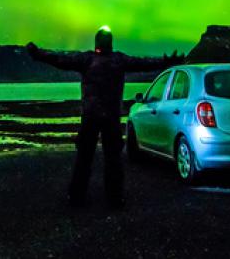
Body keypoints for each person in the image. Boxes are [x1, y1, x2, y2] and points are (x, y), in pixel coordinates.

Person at [26, 26, 183, 208]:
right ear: (110, 42)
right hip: (110, 117)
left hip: (91, 116)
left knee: (86, 158)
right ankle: (113, 199)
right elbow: (144, 62)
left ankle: (78, 197)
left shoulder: (87, 59)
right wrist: (166, 62)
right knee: (112, 160)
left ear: (96, 42)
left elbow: (61, 59)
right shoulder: (118, 60)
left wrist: (38, 54)